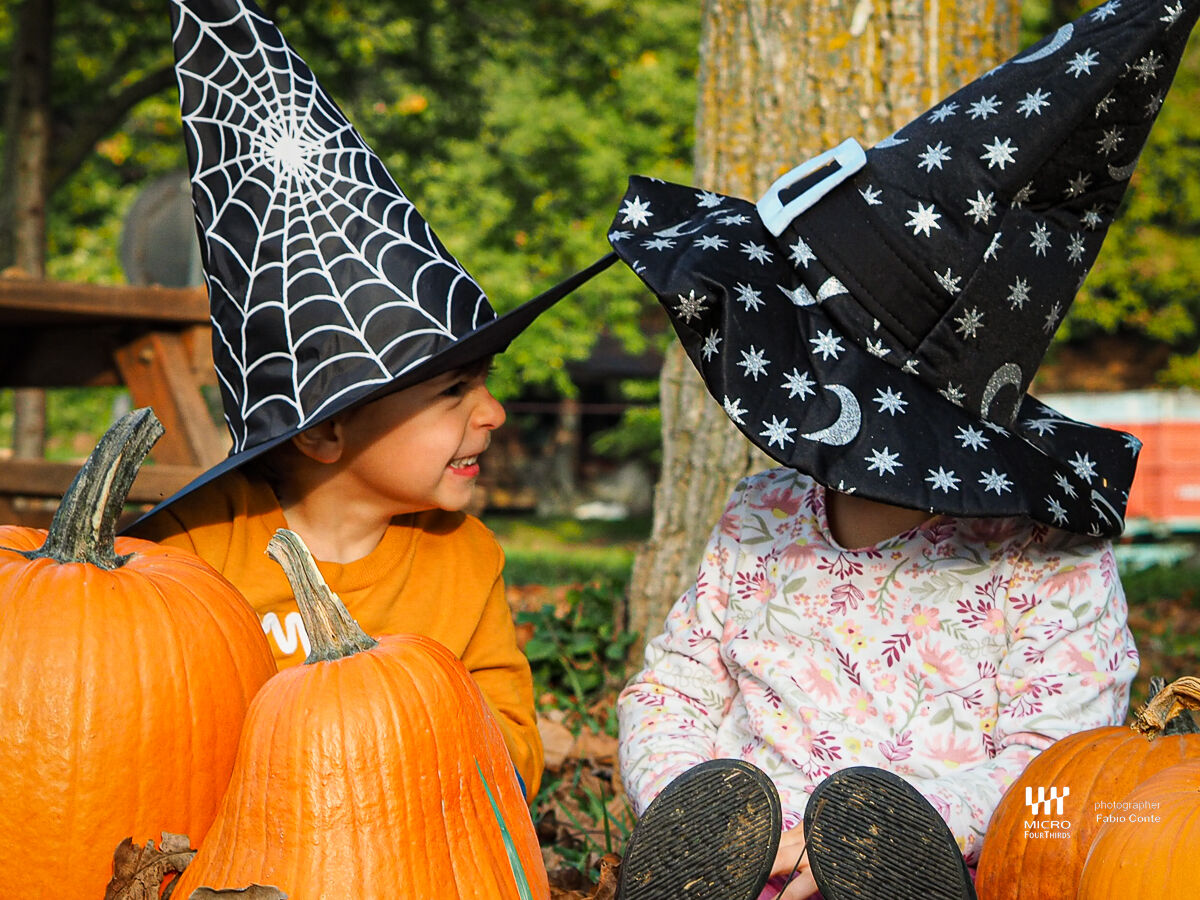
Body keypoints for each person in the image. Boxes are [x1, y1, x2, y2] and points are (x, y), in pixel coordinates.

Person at [604, 0, 1200, 897]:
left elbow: (1056, 767)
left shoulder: (1046, 557)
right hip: (746, 865)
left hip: (931, 868)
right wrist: (706, 816)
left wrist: (880, 841)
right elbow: (673, 692)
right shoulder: (759, 517)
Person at [127, 0, 614, 801]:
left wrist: (404, 725)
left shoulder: (463, 559)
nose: (491, 415)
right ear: (324, 433)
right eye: (455, 390)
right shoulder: (193, 552)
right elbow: (139, 726)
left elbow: (515, 751)